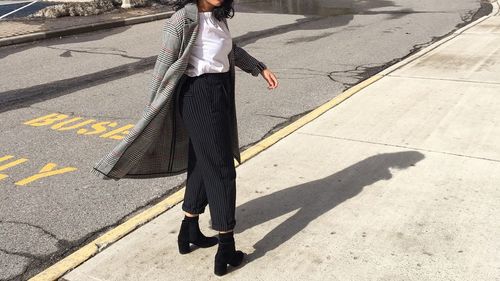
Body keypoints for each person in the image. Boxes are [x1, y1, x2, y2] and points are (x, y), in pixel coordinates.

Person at [92, 0, 278, 277]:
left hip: (220, 93)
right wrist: (154, 109)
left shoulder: (217, 17)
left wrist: (257, 67)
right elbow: (163, 65)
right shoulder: (182, 20)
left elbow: (231, 51)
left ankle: (188, 229)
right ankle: (226, 246)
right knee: (222, 169)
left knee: (203, 162)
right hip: (198, 95)